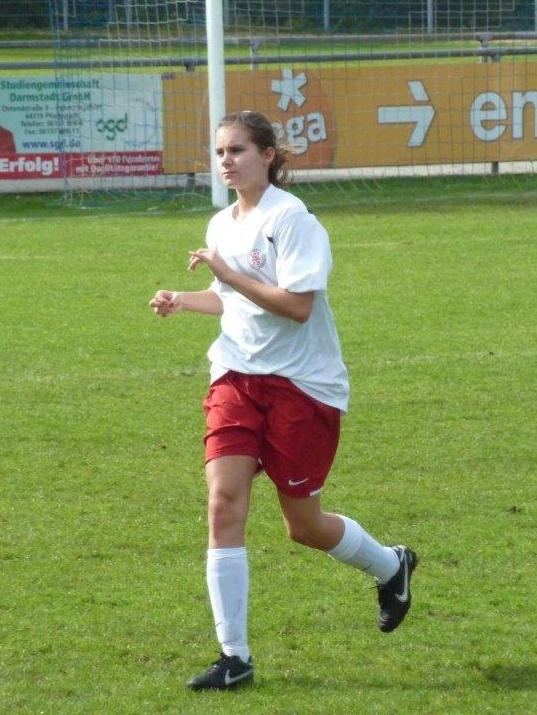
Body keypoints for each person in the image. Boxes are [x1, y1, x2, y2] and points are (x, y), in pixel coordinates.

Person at [149, 110, 417, 691]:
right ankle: (235, 657)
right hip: (237, 377)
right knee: (223, 505)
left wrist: (228, 275)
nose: (226, 161)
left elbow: (297, 306)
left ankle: (391, 565)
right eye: (220, 152)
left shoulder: (292, 219)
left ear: (268, 155)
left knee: (303, 525)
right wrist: (184, 299)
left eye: (238, 150)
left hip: (303, 387)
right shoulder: (222, 223)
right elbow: (229, 299)